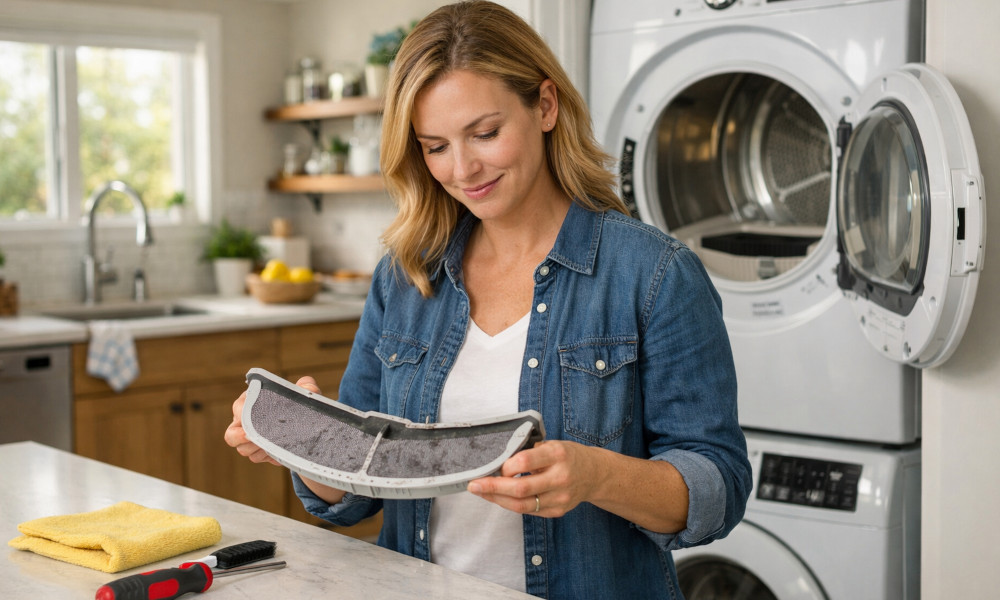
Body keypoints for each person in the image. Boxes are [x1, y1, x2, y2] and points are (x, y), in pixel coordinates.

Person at [226, 2, 752, 598]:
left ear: (546, 106)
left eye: (485, 133)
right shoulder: (404, 276)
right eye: (435, 146)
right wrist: (307, 447)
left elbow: (720, 488)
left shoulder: (653, 274)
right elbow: (355, 498)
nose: (463, 168)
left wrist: (594, 476)